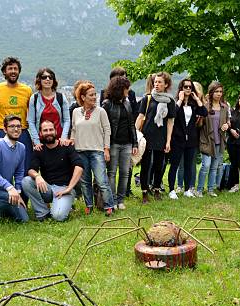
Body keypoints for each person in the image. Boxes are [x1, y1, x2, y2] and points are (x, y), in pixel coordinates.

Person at [23, 120, 84, 221]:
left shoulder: (66, 146)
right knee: (26, 181)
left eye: (51, 129)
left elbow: (79, 166)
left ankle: (64, 205)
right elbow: (31, 170)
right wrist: (37, 176)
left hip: (64, 189)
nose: (48, 132)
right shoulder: (39, 150)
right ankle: (43, 213)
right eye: (45, 130)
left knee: (58, 216)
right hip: (48, 189)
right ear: (41, 133)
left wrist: (69, 188)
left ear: (56, 131)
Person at [70, 81, 115, 215]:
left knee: (102, 180)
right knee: (85, 182)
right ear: (83, 97)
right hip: (80, 151)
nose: (95, 97)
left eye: (95, 94)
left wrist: (106, 149)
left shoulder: (101, 111)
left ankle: (109, 206)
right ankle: (88, 206)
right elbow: (74, 130)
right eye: (91, 95)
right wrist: (71, 142)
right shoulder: (76, 112)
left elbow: (107, 130)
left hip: (97, 151)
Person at [135, 72, 176, 203]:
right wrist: (135, 136)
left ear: (166, 85)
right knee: (146, 166)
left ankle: (157, 189)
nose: (156, 84)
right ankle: (144, 193)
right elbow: (140, 117)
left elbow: (170, 122)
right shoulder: (147, 98)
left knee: (160, 165)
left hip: (161, 136)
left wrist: (168, 140)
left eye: (159, 82)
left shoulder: (170, 101)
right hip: (147, 136)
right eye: (155, 82)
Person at [0, 56, 34, 167]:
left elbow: (33, 114)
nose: (13, 71)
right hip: (2, 131)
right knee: (3, 166)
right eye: (10, 69)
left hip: (22, 131)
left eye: (15, 69)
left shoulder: (27, 90)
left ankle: (22, 184)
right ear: (4, 72)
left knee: (25, 165)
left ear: (19, 71)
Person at [102, 76, 138, 209]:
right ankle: (113, 201)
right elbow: (103, 127)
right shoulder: (107, 104)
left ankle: (120, 200)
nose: (128, 90)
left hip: (127, 143)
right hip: (113, 143)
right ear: (119, 89)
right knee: (111, 172)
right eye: (126, 88)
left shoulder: (127, 103)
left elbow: (132, 125)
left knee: (125, 172)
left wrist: (135, 143)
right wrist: (105, 146)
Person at [168, 78, 207, 199]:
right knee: (175, 165)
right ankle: (171, 190)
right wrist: (180, 100)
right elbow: (172, 114)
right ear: (181, 88)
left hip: (191, 140)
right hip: (177, 139)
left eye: (190, 87)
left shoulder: (193, 104)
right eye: (186, 87)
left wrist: (197, 99)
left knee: (189, 165)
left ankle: (187, 189)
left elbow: (204, 112)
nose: (188, 89)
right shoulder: (175, 102)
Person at [196, 81, 230, 197]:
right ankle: (199, 190)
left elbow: (227, 121)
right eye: (216, 91)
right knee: (205, 165)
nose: (219, 94)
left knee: (214, 167)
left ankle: (210, 190)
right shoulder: (205, 106)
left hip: (219, 141)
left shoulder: (224, 107)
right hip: (206, 140)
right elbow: (199, 125)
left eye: (220, 91)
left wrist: (227, 125)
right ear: (211, 92)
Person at [28, 67, 71, 150]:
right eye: (44, 77)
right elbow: (31, 121)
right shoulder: (34, 98)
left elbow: (67, 120)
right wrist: (36, 141)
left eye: (50, 77)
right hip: (42, 143)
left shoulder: (61, 98)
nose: (47, 79)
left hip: (60, 142)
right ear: (39, 80)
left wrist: (64, 137)